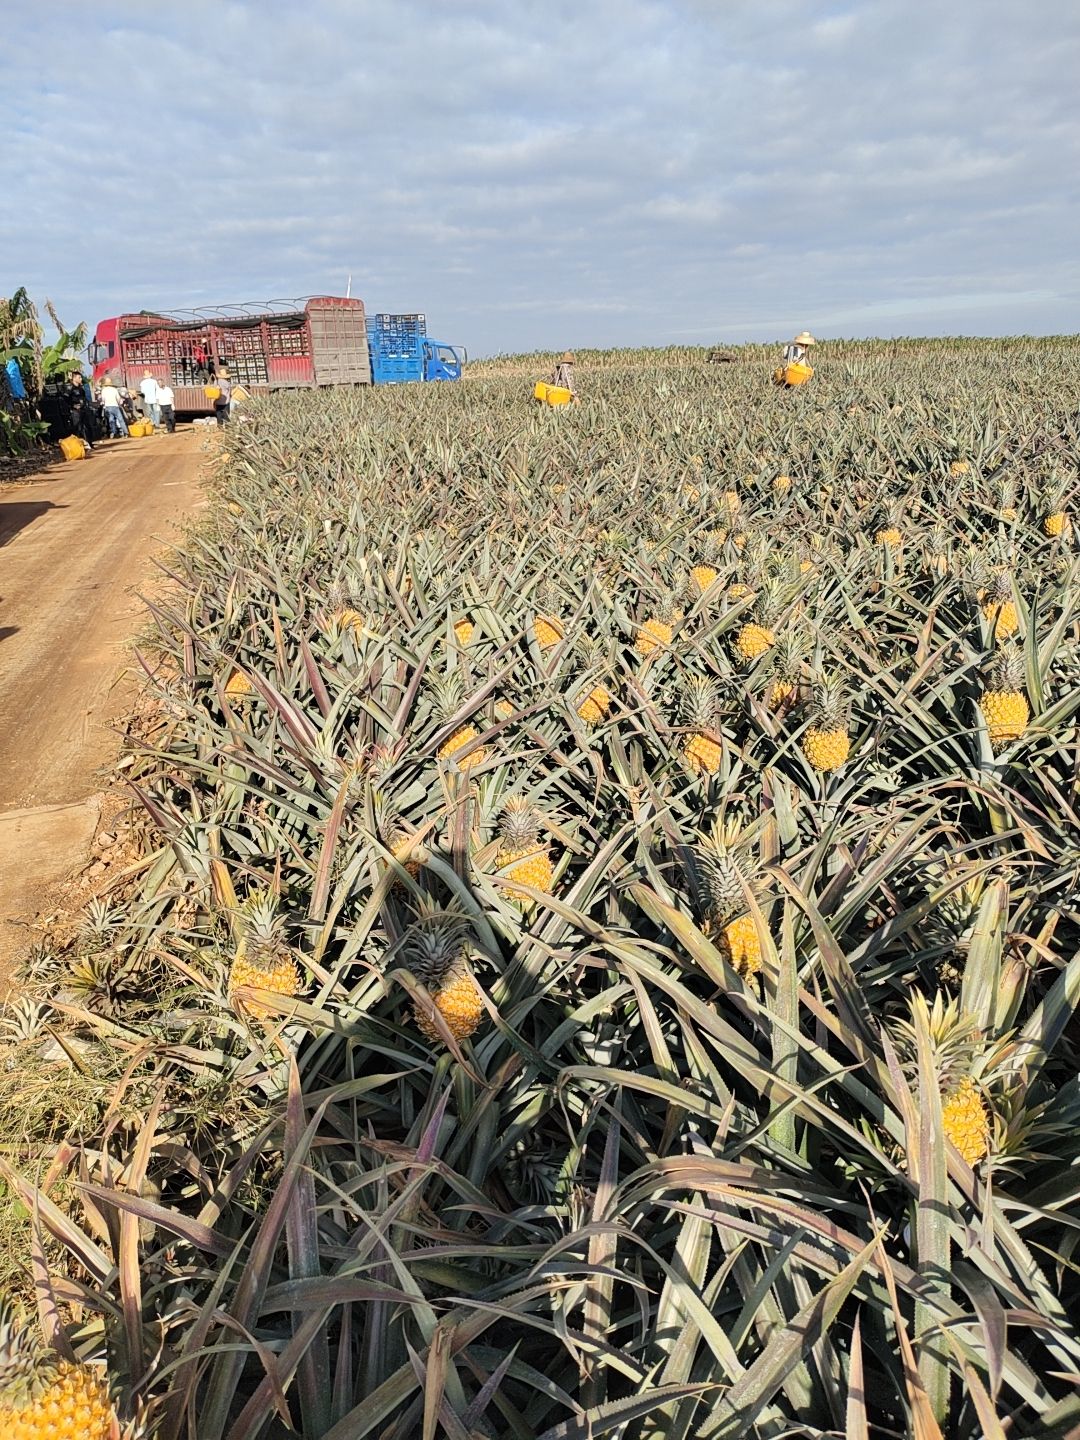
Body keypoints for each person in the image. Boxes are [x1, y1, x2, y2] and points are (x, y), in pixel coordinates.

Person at [63, 371, 95, 450]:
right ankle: (79, 446)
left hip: (83, 409)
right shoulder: (70, 388)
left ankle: (89, 444)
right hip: (75, 412)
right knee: (78, 428)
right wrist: (72, 406)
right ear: (74, 378)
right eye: (79, 378)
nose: (80, 379)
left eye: (81, 377)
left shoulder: (81, 388)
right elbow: (65, 399)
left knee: (87, 427)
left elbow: (84, 398)